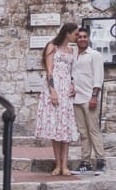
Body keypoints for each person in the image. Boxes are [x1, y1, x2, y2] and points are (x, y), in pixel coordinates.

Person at [35, 22, 79, 175]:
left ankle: (65, 165)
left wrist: (72, 84)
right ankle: (58, 164)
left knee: (65, 126)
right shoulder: (52, 46)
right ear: (67, 33)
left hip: (66, 89)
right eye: (75, 33)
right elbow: (49, 71)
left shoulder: (72, 50)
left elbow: (72, 71)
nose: (77, 36)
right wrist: (52, 90)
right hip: (55, 88)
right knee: (55, 126)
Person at [72, 25, 106, 172]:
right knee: (83, 132)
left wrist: (94, 96)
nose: (82, 39)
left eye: (84, 36)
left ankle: (100, 161)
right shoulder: (73, 55)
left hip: (89, 98)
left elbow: (98, 77)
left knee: (93, 130)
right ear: (76, 38)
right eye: (79, 37)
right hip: (76, 99)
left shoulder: (94, 55)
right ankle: (85, 162)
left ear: (88, 38)